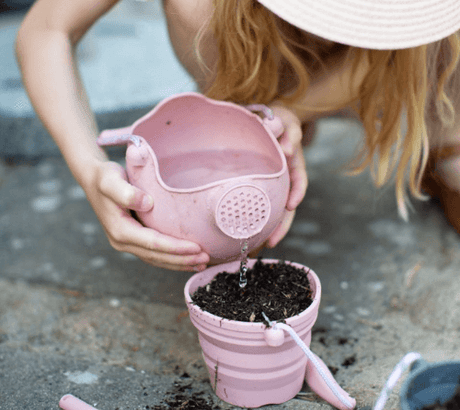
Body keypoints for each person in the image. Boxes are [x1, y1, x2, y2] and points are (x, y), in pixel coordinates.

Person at [15, 0, 460, 272]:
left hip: (392, 64)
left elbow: (394, 46)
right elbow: (47, 30)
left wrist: (294, 111)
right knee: (198, 6)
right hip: (248, 32)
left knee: (440, 43)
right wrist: (90, 168)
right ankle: (244, 108)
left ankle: (445, 135)